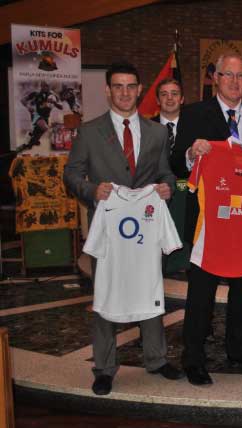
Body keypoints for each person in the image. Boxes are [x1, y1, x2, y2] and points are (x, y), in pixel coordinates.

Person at [63, 61, 181, 396]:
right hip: (109, 228)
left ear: (140, 90)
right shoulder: (89, 131)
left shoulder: (157, 132)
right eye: (118, 86)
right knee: (105, 293)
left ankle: (156, 359)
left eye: (131, 86)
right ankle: (104, 368)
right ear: (108, 90)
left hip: (144, 226)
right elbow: (71, 174)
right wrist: (91, 190)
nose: (125, 93)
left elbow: (165, 173)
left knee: (150, 288)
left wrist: (167, 187)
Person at [171, 53, 242, 386]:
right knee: (201, 292)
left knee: (240, 290)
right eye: (228, 75)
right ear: (216, 78)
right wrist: (192, 153)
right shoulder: (194, 113)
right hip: (208, 222)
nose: (235, 82)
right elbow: (176, 161)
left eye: (241, 76)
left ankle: (239, 350)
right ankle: (193, 358)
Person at [21, 81, 62, 149]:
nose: (45, 87)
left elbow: (61, 107)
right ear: (41, 86)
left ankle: (31, 142)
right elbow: (22, 100)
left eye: (47, 86)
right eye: (44, 86)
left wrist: (54, 103)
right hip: (36, 115)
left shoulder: (53, 95)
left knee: (37, 133)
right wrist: (28, 107)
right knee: (45, 128)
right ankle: (31, 139)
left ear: (49, 86)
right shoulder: (36, 94)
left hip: (46, 117)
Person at [151, 78, 184, 162]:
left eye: (174, 94)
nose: (169, 98)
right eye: (164, 94)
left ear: (182, 99)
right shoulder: (146, 127)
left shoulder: (194, 126)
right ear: (158, 100)